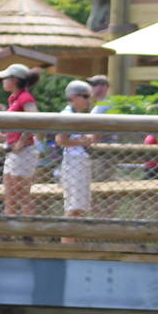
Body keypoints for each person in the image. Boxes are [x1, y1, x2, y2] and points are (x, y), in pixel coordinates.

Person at [0, 64, 41, 217]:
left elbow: (34, 120)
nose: (3, 81)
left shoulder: (25, 97)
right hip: (14, 151)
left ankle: (28, 230)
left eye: (6, 78)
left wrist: (21, 141)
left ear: (14, 80)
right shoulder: (13, 98)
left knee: (21, 192)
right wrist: (8, 136)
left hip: (24, 150)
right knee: (10, 193)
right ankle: (9, 231)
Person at [56, 79, 98, 226]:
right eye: (85, 96)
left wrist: (85, 140)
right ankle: (68, 246)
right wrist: (83, 141)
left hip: (79, 162)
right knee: (74, 208)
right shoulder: (68, 114)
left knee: (79, 209)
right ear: (73, 97)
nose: (89, 100)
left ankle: (73, 244)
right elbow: (61, 139)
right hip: (74, 162)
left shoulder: (77, 114)